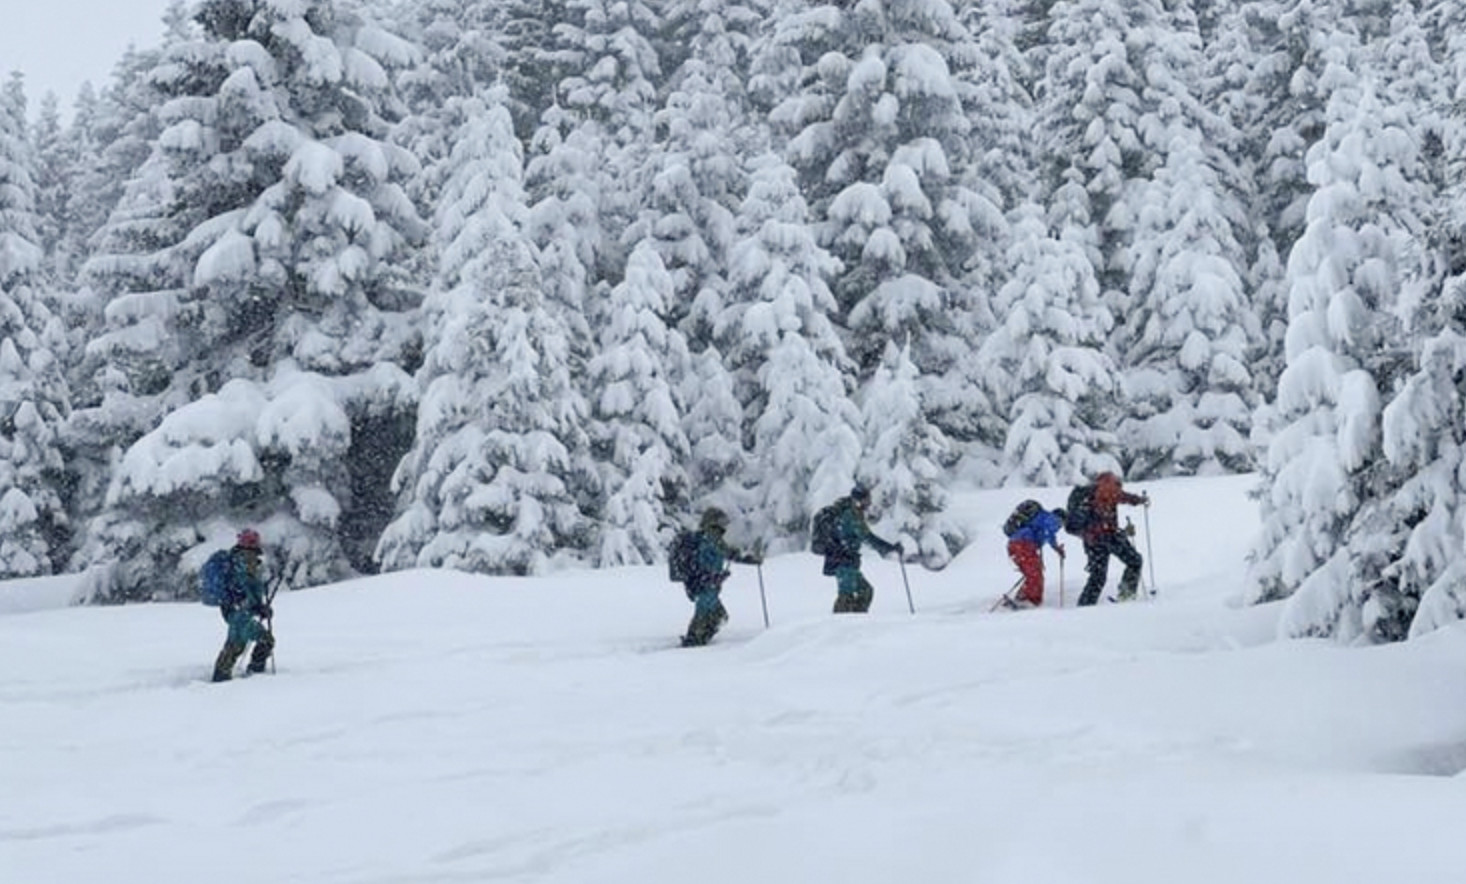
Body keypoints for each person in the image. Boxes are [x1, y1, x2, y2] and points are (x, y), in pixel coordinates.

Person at [679, 508, 761, 647]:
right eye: (722, 522)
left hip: (704, 583)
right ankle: (694, 641)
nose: (724, 526)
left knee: (715, 614)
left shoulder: (707, 537)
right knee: (710, 614)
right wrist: (747, 559)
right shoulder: (711, 537)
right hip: (706, 584)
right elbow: (726, 552)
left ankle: (698, 639)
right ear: (713, 522)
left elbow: (721, 555)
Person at [820, 484, 902, 614]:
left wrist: (888, 548)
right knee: (846, 598)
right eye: (866, 499)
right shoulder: (851, 516)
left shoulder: (855, 513)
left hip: (849, 561)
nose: (869, 503)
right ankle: (839, 626)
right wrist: (889, 548)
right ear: (859, 500)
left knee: (866, 591)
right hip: (842, 561)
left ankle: (858, 621)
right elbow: (867, 537)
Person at [1074, 472, 1149, 606]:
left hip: (1094, 540)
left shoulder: (1094, 492)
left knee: (1098, 577)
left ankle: (1085, 606)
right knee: (1135, 561)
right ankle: (1126, 594)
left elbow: (1121, 497)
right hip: (1108, 536)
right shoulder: (1111, 488)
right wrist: (1140, 500)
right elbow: (1123, 497)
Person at [210, 529, 275, 682]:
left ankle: (248, 674)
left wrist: (260, 607)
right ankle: (224, 679)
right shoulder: (241, 562)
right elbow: (243, 589)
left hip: (238, 611)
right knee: (238, 644)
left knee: (257, 640)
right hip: (239, 611)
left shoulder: (241, 561)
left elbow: (249, 589)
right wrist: (257, 607)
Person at [1006, 505, 1065, 608]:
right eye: (1062, 523)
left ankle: (1024, 597)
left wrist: (1056, 548)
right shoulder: (1052, 519)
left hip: (1016, 545)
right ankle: (1027, 600)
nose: (1060, 527)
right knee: (1035, 573)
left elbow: (1049, 535)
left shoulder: (1043, 517)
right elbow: (1049, 533)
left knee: (1033, 573)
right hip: (1023, 544)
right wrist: (1057, 549)